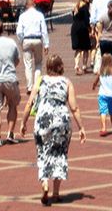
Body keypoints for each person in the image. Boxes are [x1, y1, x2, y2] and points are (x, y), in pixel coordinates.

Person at [20, 54, 86, 206]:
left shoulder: (41, 80)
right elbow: (74, 107)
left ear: (47, 68)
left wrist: (23, 122)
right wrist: (81, 127)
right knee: (60, 153)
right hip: (61, 121)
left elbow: (30, 103)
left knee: (42, 152)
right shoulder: (67, 82)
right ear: (61, 67)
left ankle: (44, 182)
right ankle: (56, 193)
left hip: (43, 119)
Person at [16, 0, 50, 93]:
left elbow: (19, 32)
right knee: (38, 63)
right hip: (37, 39)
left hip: (26, 39)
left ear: (26, 5)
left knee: (28, 65)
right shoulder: (39, 15)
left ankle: (29, 86)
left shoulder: (22, 16)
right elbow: (44, 30)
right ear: (34, 5)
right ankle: (37, 85)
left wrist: (21, 41)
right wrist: (46, 44)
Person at [91, 53, 112, 136]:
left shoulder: (100, 71)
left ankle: (103, 127)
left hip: (102, 94)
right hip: (111, 94)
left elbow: (95, 81)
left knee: (103, 111)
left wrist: (94, 86)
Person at [70, 0, 94, 75]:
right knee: (86, 48)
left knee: (78, 48)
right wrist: (90, 29)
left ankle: (76, 65)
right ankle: (84, 66)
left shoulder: (77, 6)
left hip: (75, 28)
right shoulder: (85, 7)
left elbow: (74, 17)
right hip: (83, 28)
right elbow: (87, 20)